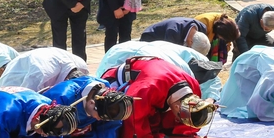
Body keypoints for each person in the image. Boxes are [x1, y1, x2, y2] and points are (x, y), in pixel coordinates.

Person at [100, 56, 217, 138]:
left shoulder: (193, 85)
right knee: (118, 110)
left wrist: (182, 133)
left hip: (155, 77)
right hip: (117, 80)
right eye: (180, 117)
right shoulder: (148, 88)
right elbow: (132, 118)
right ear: (176, 107)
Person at [41, 75, 134, 138]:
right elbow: (50, 132)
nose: (99, 119)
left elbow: (111, 124)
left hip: (83, 131)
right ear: (91, 103)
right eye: (100, 116)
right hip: (56, 132)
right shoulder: (63, 98)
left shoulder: (106, 94)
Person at [94, 39, 224, 101]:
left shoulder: (188, 64)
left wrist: (210, 100)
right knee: (106, 97)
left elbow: (213, 80)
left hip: (120, 50)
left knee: (104, 94)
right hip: (131, 57)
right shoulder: (181, 73)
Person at [0, 46, 89, 91]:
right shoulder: (40, 76)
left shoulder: (82, 66)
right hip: (15, 79)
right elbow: (28, 98)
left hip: (45, 58)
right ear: (67, 79)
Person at [139, 16, 208, 47]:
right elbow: (168, 54)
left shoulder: (202, 28)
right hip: (151, 39)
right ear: (190, 42)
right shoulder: (173, 32)